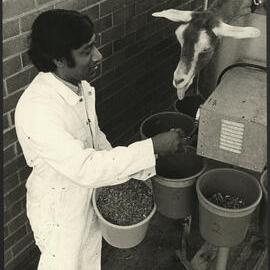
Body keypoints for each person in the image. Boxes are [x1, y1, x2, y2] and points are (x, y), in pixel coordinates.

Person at [15, 9, 185, 270]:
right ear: (59, 59)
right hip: (60, 211)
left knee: (89, 259)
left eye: (94, 45)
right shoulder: (38, 109)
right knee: (65, 263)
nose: (98, 56)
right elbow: (86, 166)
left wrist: (136, 170)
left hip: (86, 195)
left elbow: (95, 138)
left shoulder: (76, 84)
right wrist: (151, 148)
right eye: (87, 51)